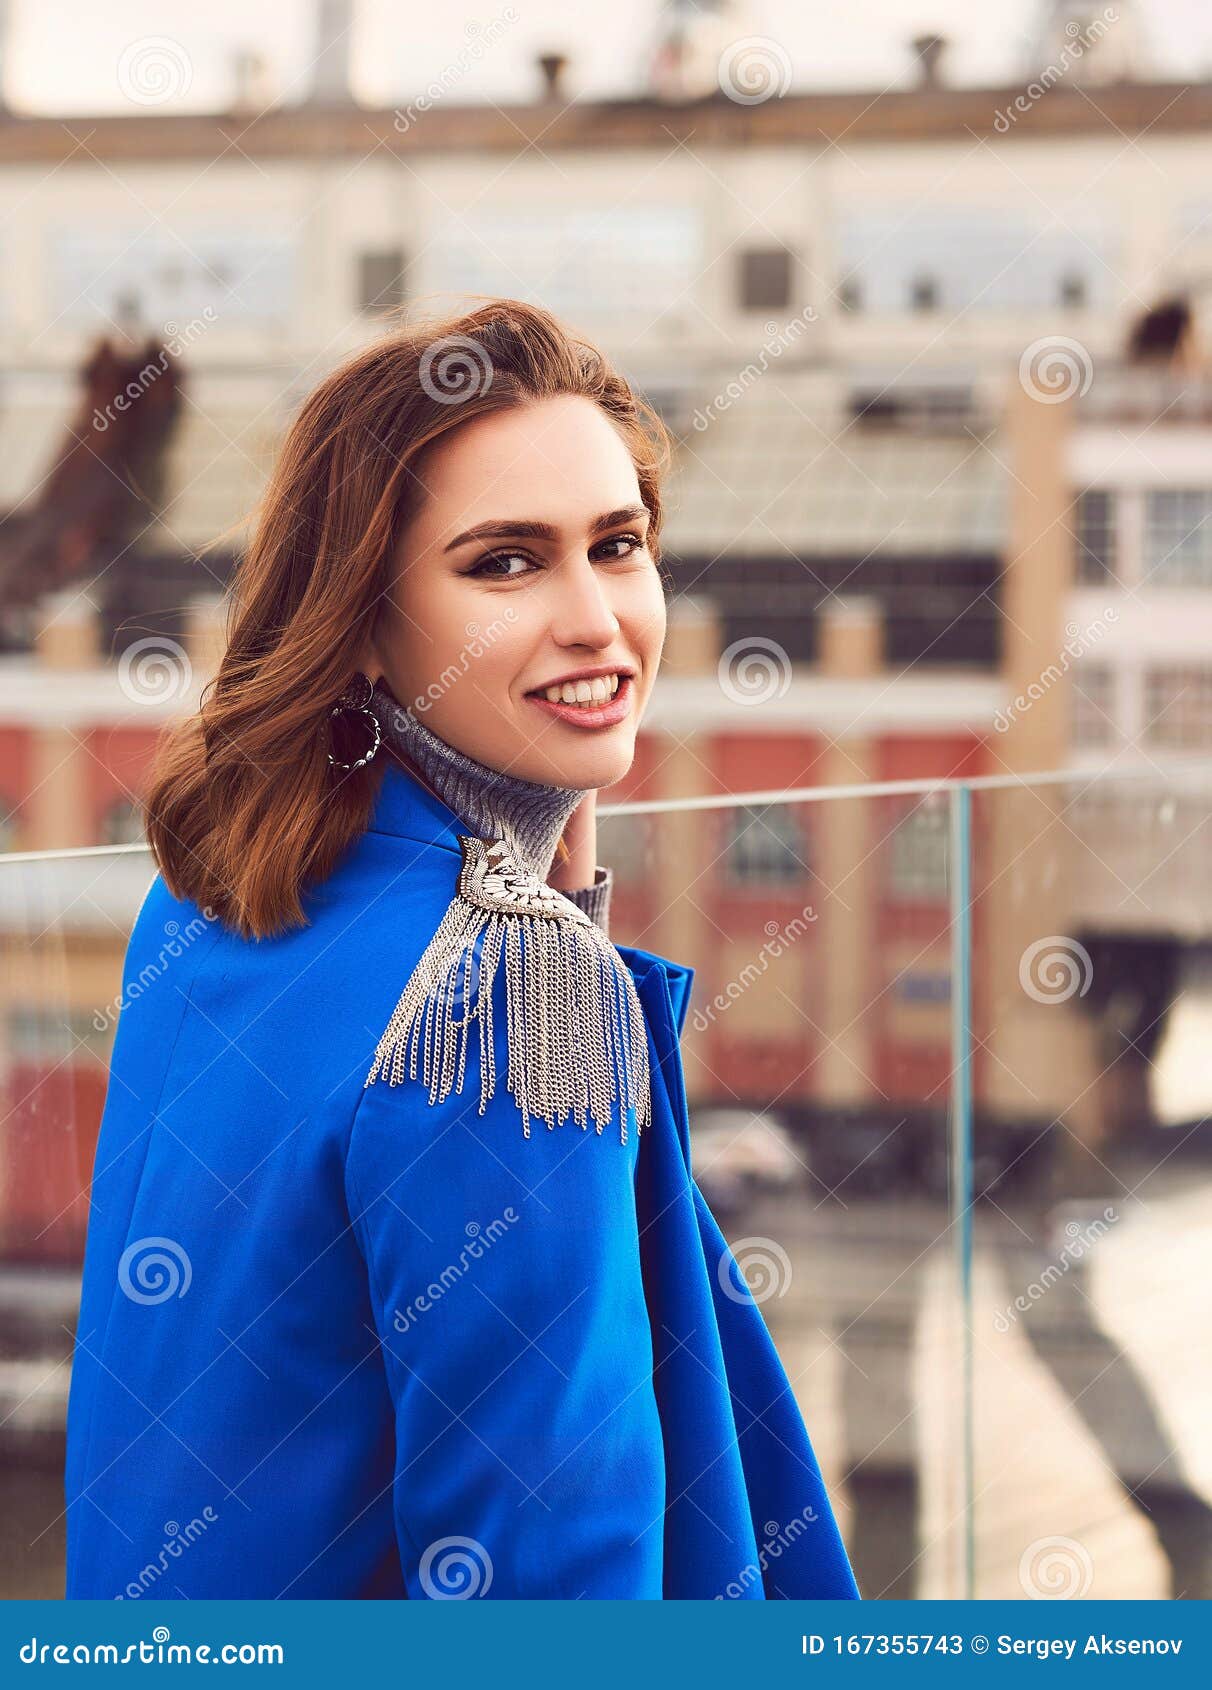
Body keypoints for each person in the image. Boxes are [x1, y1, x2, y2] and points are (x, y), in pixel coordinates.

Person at [63, 299, 860, 1601]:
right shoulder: (502, 993)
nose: (599, 619)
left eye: (620, 544)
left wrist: (543, 860)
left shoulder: (217, 894)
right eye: (506, 563)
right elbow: (557, 1580)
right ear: (365, 620)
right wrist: (546, 926)